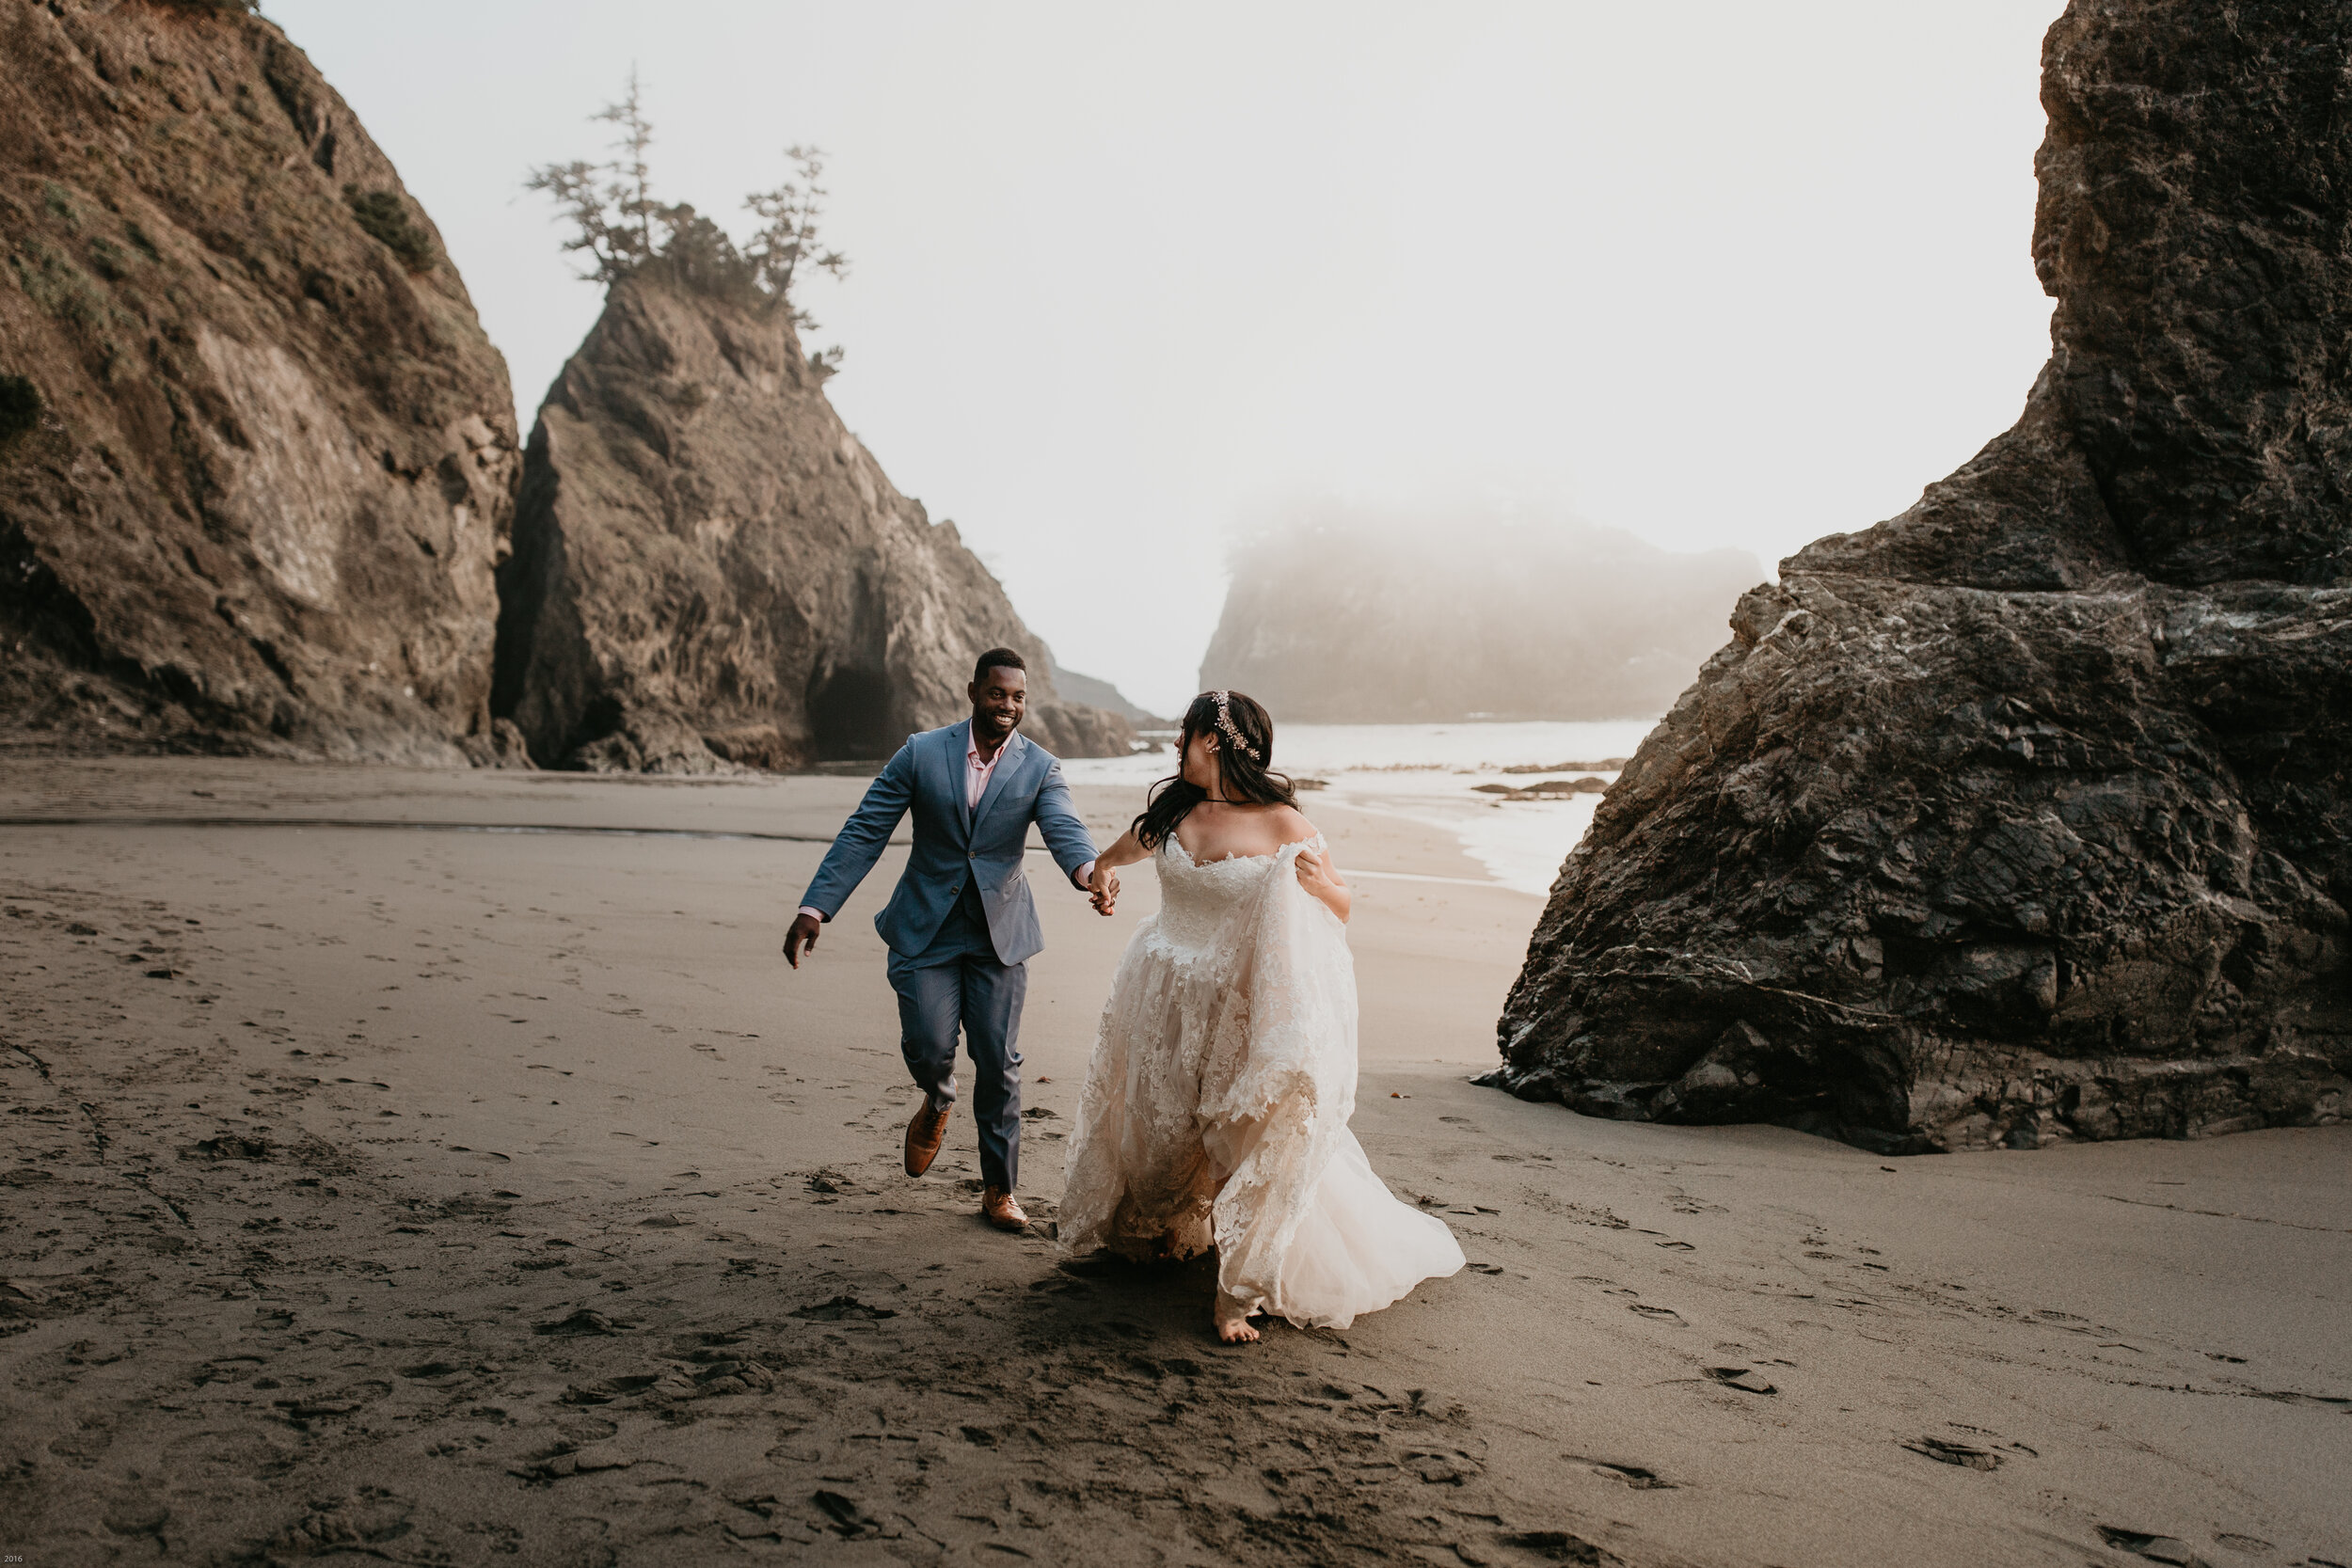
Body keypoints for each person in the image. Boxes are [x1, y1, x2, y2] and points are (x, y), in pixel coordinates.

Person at [1060, 689, 1464, 1341]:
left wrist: (1318, 884)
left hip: (1236, 998)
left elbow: (1342, 902)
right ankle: (1166, 1227)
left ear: (1212, 740)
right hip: (1163, 984)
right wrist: (1103, 868)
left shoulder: (1283, 823)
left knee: (1229, 1133)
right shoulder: (1173, 808)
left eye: (1183, 735)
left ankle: (1234, 1294)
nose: (1175, 746)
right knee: (1159, 1123)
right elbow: (1137, 842)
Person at [785, 648, 1112, 1231]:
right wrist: (817, 906)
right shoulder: (921, 752)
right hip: (925, 928)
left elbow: (1065, 827)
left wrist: (1089, 873)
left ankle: (998, 1189)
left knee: (999, 1060)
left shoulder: (1041, 767)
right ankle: (937, 1099)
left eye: (1018, 697)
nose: (1008, 706)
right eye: (997, 693)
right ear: (972, 691)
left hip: (999, 935)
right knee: (930, 1045)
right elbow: (866, 827)